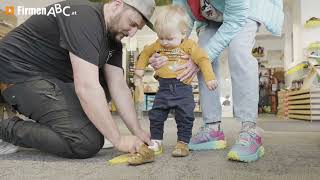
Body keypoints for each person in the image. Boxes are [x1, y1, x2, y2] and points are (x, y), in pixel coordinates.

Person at [0, 0, 156, 159]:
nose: (132, 33)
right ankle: (4, 130)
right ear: (117, 5)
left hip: (51, 77)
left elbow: (118, 86)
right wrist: (118, 139)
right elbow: (86, 87)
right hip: (18, 71)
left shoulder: (113, 40)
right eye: (132, 23)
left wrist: (137, 131)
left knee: (105, 84)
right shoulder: (84, 16)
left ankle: (57, 122)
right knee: (85, 141)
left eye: (138, 28)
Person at [149, 0, 284, 162]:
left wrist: (200, 58)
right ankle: (212, 128)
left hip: (244, 12)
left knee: (238, 50)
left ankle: (249, 129)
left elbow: (236, 20)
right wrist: (167, 53)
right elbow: (180, 22)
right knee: (200, 51)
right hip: (212, 17)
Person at [131, 5, 217, 164]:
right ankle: (156, 142)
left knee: (185, 117)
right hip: (163, 89)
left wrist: (209, 78)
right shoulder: (158, 44)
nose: (164, 43)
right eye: (160, 37)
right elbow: (145, 53)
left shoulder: (189, 45)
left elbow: (203, 59)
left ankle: (183, 143)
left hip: (183, 89)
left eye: (169, 39)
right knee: (155, 115)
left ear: (183, 32)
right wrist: (139, 71)